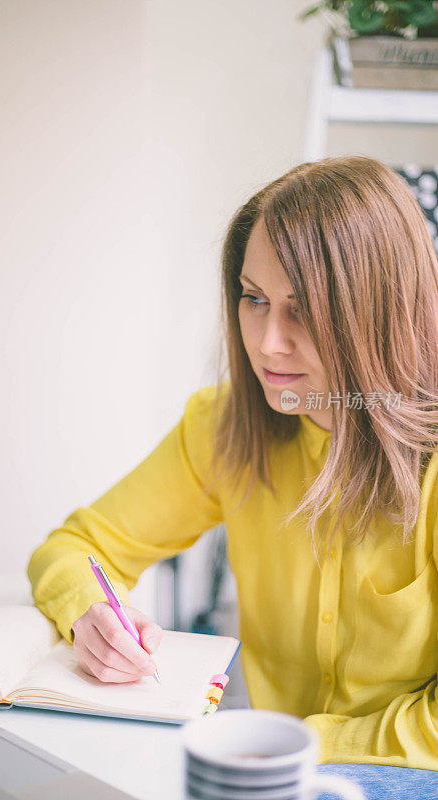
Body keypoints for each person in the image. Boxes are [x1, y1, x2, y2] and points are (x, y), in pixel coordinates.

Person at [28, 155, 438, 771]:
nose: (268, 342)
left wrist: (302, 746)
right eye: (253, 298)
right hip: (263, 765)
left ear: (376, 310)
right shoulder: (221, 428)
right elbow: (73, 548)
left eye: (303, 308)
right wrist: (91, 616)